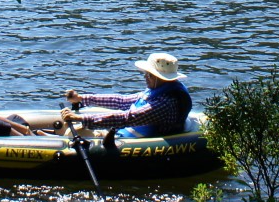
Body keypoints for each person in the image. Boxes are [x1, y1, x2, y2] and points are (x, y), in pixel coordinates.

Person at [61, 51, 192, 137]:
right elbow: (121, 101)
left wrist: (82, 119)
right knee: (69, 128)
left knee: (70, 133)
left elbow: (127, 118)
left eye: (150, 75)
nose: (145, 77)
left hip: (138, 138)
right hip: (131, 130)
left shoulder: (165, 104)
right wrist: (82, 98)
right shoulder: (158, 90)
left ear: (161, 78)